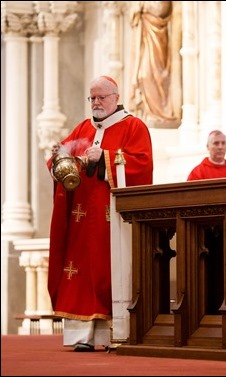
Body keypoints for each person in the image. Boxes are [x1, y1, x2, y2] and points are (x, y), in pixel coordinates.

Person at [47, 75, 153, 352]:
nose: (95, 102)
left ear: (116, 97)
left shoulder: (133, 126)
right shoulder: (83, 127)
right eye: (92, 97)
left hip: (112, 217)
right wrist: (59, 155)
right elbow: (62, 161)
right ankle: (83, 336)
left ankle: (113, 334)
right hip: (82, 218)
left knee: (109, 271)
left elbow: (142, 164)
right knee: (79, 272)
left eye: (101, 97)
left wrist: (104, 156)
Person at [129, 1, 179, 125]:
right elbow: (132, 17)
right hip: (144, 39)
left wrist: (144, 6)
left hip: (157, 37)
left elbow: (162, 9)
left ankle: (158, 113)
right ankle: (148, 112)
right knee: (142, 75)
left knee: (151, 75)